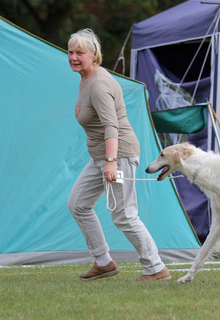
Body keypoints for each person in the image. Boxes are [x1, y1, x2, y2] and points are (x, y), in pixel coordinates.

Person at [67, 28, 170, 282]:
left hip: (118, 154)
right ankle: (103, 262)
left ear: (94, 55)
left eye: (80, 52)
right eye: (70, 52)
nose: (73, 57)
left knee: (124, 213)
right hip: (100, 157)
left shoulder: (99, 84)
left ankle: (155, 268)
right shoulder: (86, 79)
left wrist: (112, 163)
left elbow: (111, 125)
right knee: (78, 204)